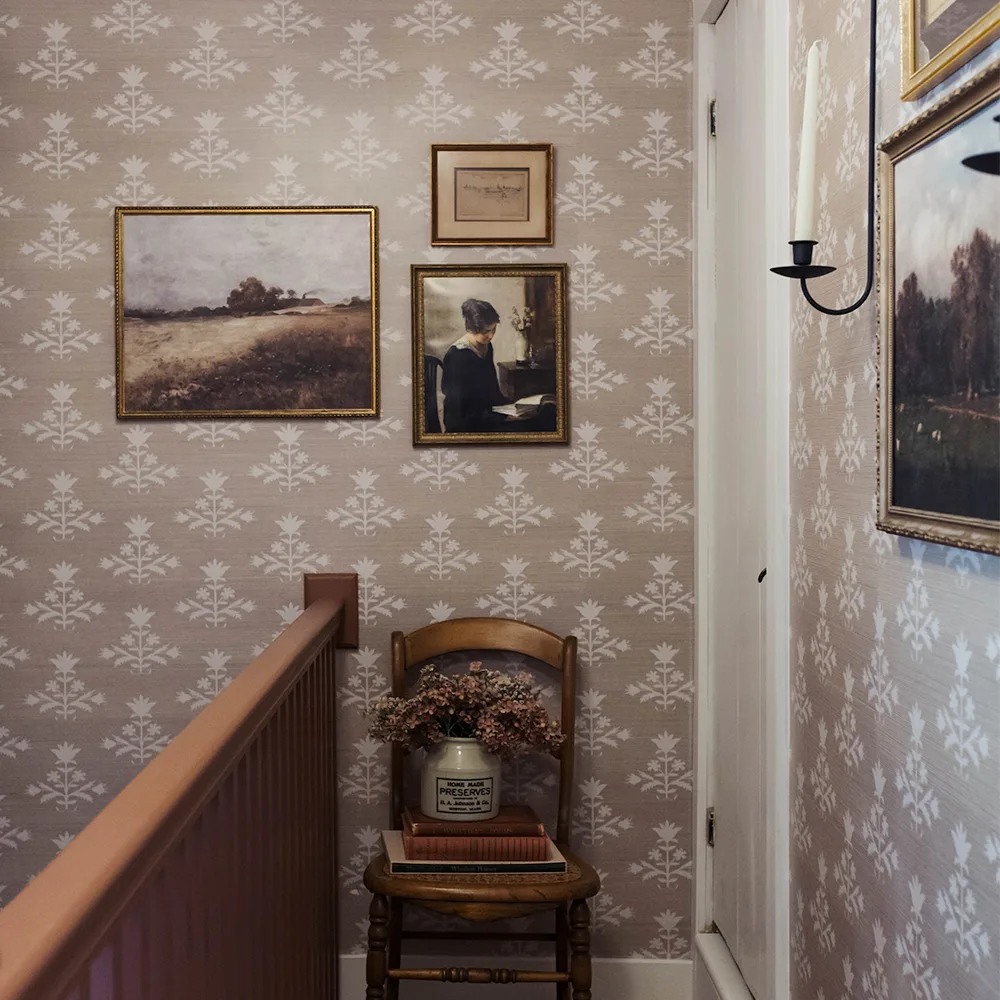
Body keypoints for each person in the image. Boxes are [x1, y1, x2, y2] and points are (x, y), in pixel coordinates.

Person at [441, 298, 511, 433]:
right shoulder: (458, 355)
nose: (491, 336)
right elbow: (461, 407)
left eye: (494, 329)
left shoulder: (486, 346)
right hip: (466, 423)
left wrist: (511, 408)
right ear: (472, 329)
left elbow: (492, 389)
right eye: (486, 331)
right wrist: (501, 417)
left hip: (486, 414)